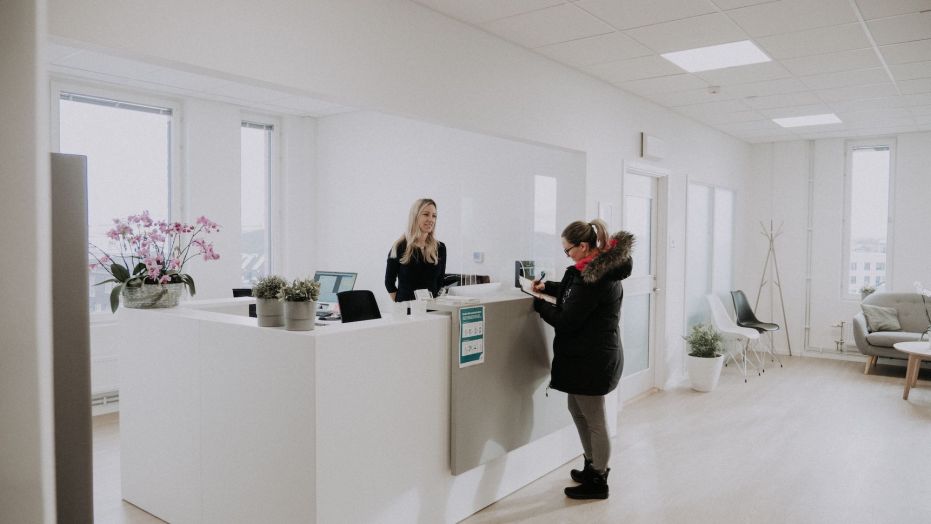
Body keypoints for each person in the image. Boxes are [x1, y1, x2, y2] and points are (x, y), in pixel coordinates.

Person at [531, 219, 633, 500]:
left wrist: (540, 306)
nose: (567, 255)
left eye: (568, 250)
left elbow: (567, 319)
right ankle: (591, 466)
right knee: (578, 410)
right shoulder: (590, 271)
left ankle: (599, 479)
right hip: (585, 357)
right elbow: (573, 294)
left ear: (584, 246)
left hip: (592, 359)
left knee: (595, 419)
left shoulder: (596, 278)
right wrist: (547, 288)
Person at [385, 198, 447, 302]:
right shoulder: (400, 246)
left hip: (433, 311)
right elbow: (389, 282)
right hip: (408, 311)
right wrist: (402, 304)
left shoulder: (440, 248)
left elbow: (440, 282)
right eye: (426, 214)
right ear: (415, 216)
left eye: (434, 216)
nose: (431, 219)